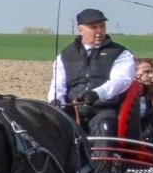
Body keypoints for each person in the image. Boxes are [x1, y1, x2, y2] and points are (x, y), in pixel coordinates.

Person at [48, 8, 136, 137]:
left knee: (104, 127)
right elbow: (57, 83)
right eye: (94, 27)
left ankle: (103, 157)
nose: (99, 31)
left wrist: (97, 93)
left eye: (102, 26)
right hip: (72, 109)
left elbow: (122, 80)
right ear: (80, 29)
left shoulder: (120, 53)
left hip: (103, 108)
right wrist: (55, 100)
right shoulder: (66, 55)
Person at [129, 56, 153, 143]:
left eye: (151, 72)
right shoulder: (122, 94)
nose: (151, 75)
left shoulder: (150, 95)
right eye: (147, 72)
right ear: (134, 72)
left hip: (146, 140)